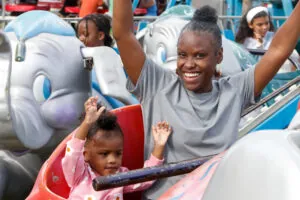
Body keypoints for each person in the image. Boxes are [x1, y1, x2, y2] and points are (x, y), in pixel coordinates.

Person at [112, 0, 300, 198]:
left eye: (199, 56)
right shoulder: (157, 84)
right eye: (182, 55)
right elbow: (123, 34)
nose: (188, 64)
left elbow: (278, 50)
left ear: (218, 56)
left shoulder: (235, 90)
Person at [61, 96, 172, 199]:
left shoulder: (119, 176)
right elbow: (73, 153)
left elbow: (145, 178)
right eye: (104, 154)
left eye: (118, 153)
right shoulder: (79, 174)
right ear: (86, 155)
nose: (113, 160)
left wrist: (159, 146)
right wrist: (87, 123)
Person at [235, 6, 299, 73]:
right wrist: (259, 44)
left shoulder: (274, 36)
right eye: (260, 25)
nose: (264, 27)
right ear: (250, 25)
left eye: (267, 23)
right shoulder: (245, 42)